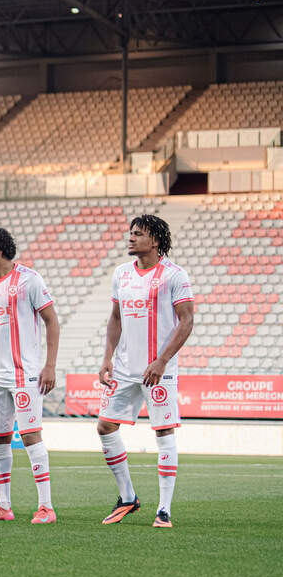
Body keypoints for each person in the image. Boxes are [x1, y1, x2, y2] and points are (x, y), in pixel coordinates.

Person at [97, 215, 193, 528]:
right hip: (124, 369)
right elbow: (115, 318)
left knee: (163, 432)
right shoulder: (121, 273)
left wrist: (162, 360)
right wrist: (107, 358)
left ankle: (164, 509)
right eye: (131, 233)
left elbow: (186, 320)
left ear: (155, 240)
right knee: (105, 426)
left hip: (158, 370)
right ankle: (128, 497)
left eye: (138, 234)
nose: (131, 237)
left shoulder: (174, 275)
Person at [0, 228, 59, 524]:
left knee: (30, 435)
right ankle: (2, 507)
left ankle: (46, 507)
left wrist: (50, 365)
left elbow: (52, 321)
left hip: (25, 374)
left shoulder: (29, 280)